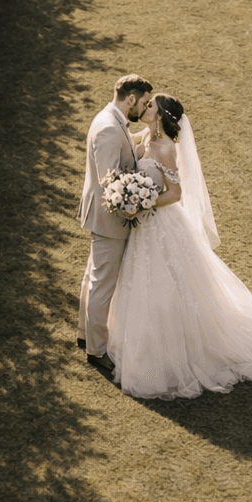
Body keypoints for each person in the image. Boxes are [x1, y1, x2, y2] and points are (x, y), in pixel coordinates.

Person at [107, 92, 252, 400]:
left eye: (151, 106)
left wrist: (143, 203)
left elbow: (175, 193)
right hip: (145, 227)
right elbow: (127, 143)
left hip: (160, 223)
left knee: (166, 286)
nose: (145, 108)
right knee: (141, 284)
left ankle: (172, 352)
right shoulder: (145, 137)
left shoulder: (165, 148)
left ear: (160, 116)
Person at [78, 74, 154, 380]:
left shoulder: (113, 119)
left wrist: (140, 147)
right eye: (145, 102)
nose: (145, 108)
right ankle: (96, 351)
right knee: (102, 285)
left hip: (101, 216)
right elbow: (111, 181)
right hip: (109, 220)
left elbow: (123, 151)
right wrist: (140, 195)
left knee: (92, 277)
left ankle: (85, 334)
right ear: (131, 99)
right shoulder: (110, 128)